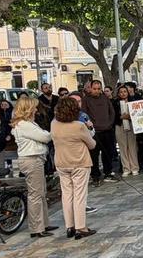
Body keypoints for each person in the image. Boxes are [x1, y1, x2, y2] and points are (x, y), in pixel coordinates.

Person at [11, 97, 58, 238]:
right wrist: (50, 133)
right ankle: (37, 227)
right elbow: (45, 137)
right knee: (35, 195)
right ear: (28, 108)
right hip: (31, 160)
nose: (37, 110)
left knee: (41, 192)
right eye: (34, 107)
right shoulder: (24, 125)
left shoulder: (29, 123)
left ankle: (44, 223)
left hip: (36, 159)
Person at [51, 97, 97, 240]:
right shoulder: (79, 125)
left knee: (67, 195)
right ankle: (81, 227)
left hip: (62, 162)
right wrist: (90, 128)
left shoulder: (54, 124)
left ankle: (69, 226)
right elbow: (92, 144)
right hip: (79, 163)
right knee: (79, 196)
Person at [82, 80, 118, 185]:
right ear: (90, 88)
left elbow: (112, 112)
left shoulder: (105, 98)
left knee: (108, 154)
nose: (97, 91)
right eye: (95, 89)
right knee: (94, 155)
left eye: (99, 88)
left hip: (107, 130)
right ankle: (95, 176)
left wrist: (110, 124)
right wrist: (91, 126)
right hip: (94, 132)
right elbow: (84, 115)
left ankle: (108, 173)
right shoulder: (86, 100)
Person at [112, 84, 139, 177]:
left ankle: (134, 168)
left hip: (131, 125)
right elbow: (112, 116)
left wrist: (129, 117)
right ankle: (126, 168)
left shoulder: (133, 101)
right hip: (119, 125)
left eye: (125, 91)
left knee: (132, 147)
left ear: (127, 92)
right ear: (118, 94)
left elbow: (137, 114)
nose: (123, 93)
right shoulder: (115, 103)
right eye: (121, 92)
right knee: (123, 148)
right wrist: (120, 117)